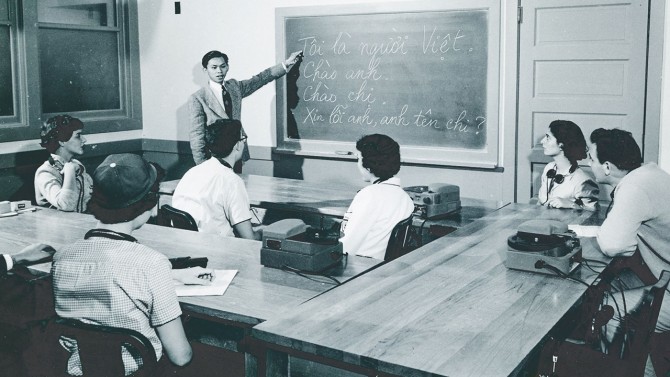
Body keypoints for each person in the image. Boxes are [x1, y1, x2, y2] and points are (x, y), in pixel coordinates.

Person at [51, 153, 213, 376]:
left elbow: (105, 274)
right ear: (149, 203)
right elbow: (180, 356)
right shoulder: (150, 263)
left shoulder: (62, 257)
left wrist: (173, 275)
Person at [589, 128, 670, 376]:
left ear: (607, 167)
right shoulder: (649, 173)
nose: (587, 163)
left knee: (610, 311)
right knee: (609, 287)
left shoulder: (634, 188)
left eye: (591, 158)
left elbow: (614, 244)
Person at [189, 49, 302, 169]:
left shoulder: (234, 87)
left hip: (236, 154)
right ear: (205, 70)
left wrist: (286, 64)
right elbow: (196, 135)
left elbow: (260, 79)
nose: (219, 71)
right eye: (214, 67)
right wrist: (201, 166)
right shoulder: (198, 98)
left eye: (222, 66)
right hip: (213, 158)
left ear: (227, 67)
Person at [173, 119, 260, 240]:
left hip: (186, 244)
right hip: (217, 249)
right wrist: (264, 232)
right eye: (243, 139)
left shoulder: (191, 172)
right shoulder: (232, 181)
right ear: (238, 145)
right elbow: (249, 238)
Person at [340, 134, 414, 260]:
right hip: (382, 266)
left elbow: (346, 246)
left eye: (359, 159)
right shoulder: (405, 198)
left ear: (368, 166)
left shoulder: (369, 195)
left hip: (357, 266)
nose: (358, 164)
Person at [35, 115, 93, 212]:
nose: (84, 140)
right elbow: (66, 205)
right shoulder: (46, 172)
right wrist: (69, 170)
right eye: (78, 136)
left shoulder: (77, 165)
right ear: (62, 141)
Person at [537, 120, 599, 210]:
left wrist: (571, 205)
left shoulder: (583, 180)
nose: (542, 141)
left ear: (562, 144)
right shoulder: (549, 168)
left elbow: (593, 215)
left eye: (548, 137)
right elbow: (540, 203)